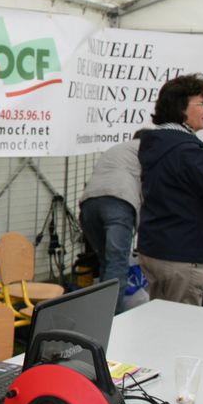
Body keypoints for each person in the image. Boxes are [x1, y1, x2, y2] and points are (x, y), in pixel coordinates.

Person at [136, 74, 203, 305]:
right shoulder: (190, 152)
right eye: (201, 103)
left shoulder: (153, 144)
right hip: (182, 255)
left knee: (158, 321)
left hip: (153, 249)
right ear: (180, 108)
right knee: (183, 330)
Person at [79, 131, 143, 313]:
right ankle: (111, 320)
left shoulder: (116, 149)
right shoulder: (147, 150)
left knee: (106, 261)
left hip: (89, 203)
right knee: (117, 264)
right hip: (119, 201)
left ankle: (98, 315)